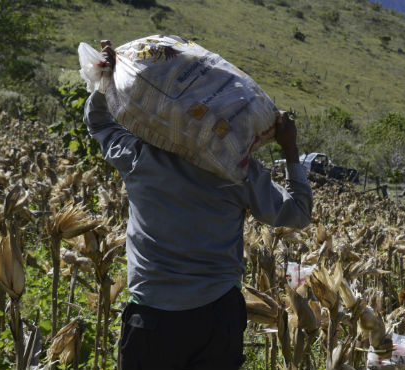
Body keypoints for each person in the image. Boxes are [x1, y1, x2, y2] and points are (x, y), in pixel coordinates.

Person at [83, 41, 312, 370]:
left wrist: (106, 76)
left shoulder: (138, 158)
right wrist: (291, 149)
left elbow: (100, 123)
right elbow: (298, 213)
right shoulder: (238, 172)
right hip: (217, 318)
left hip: (152, 320)